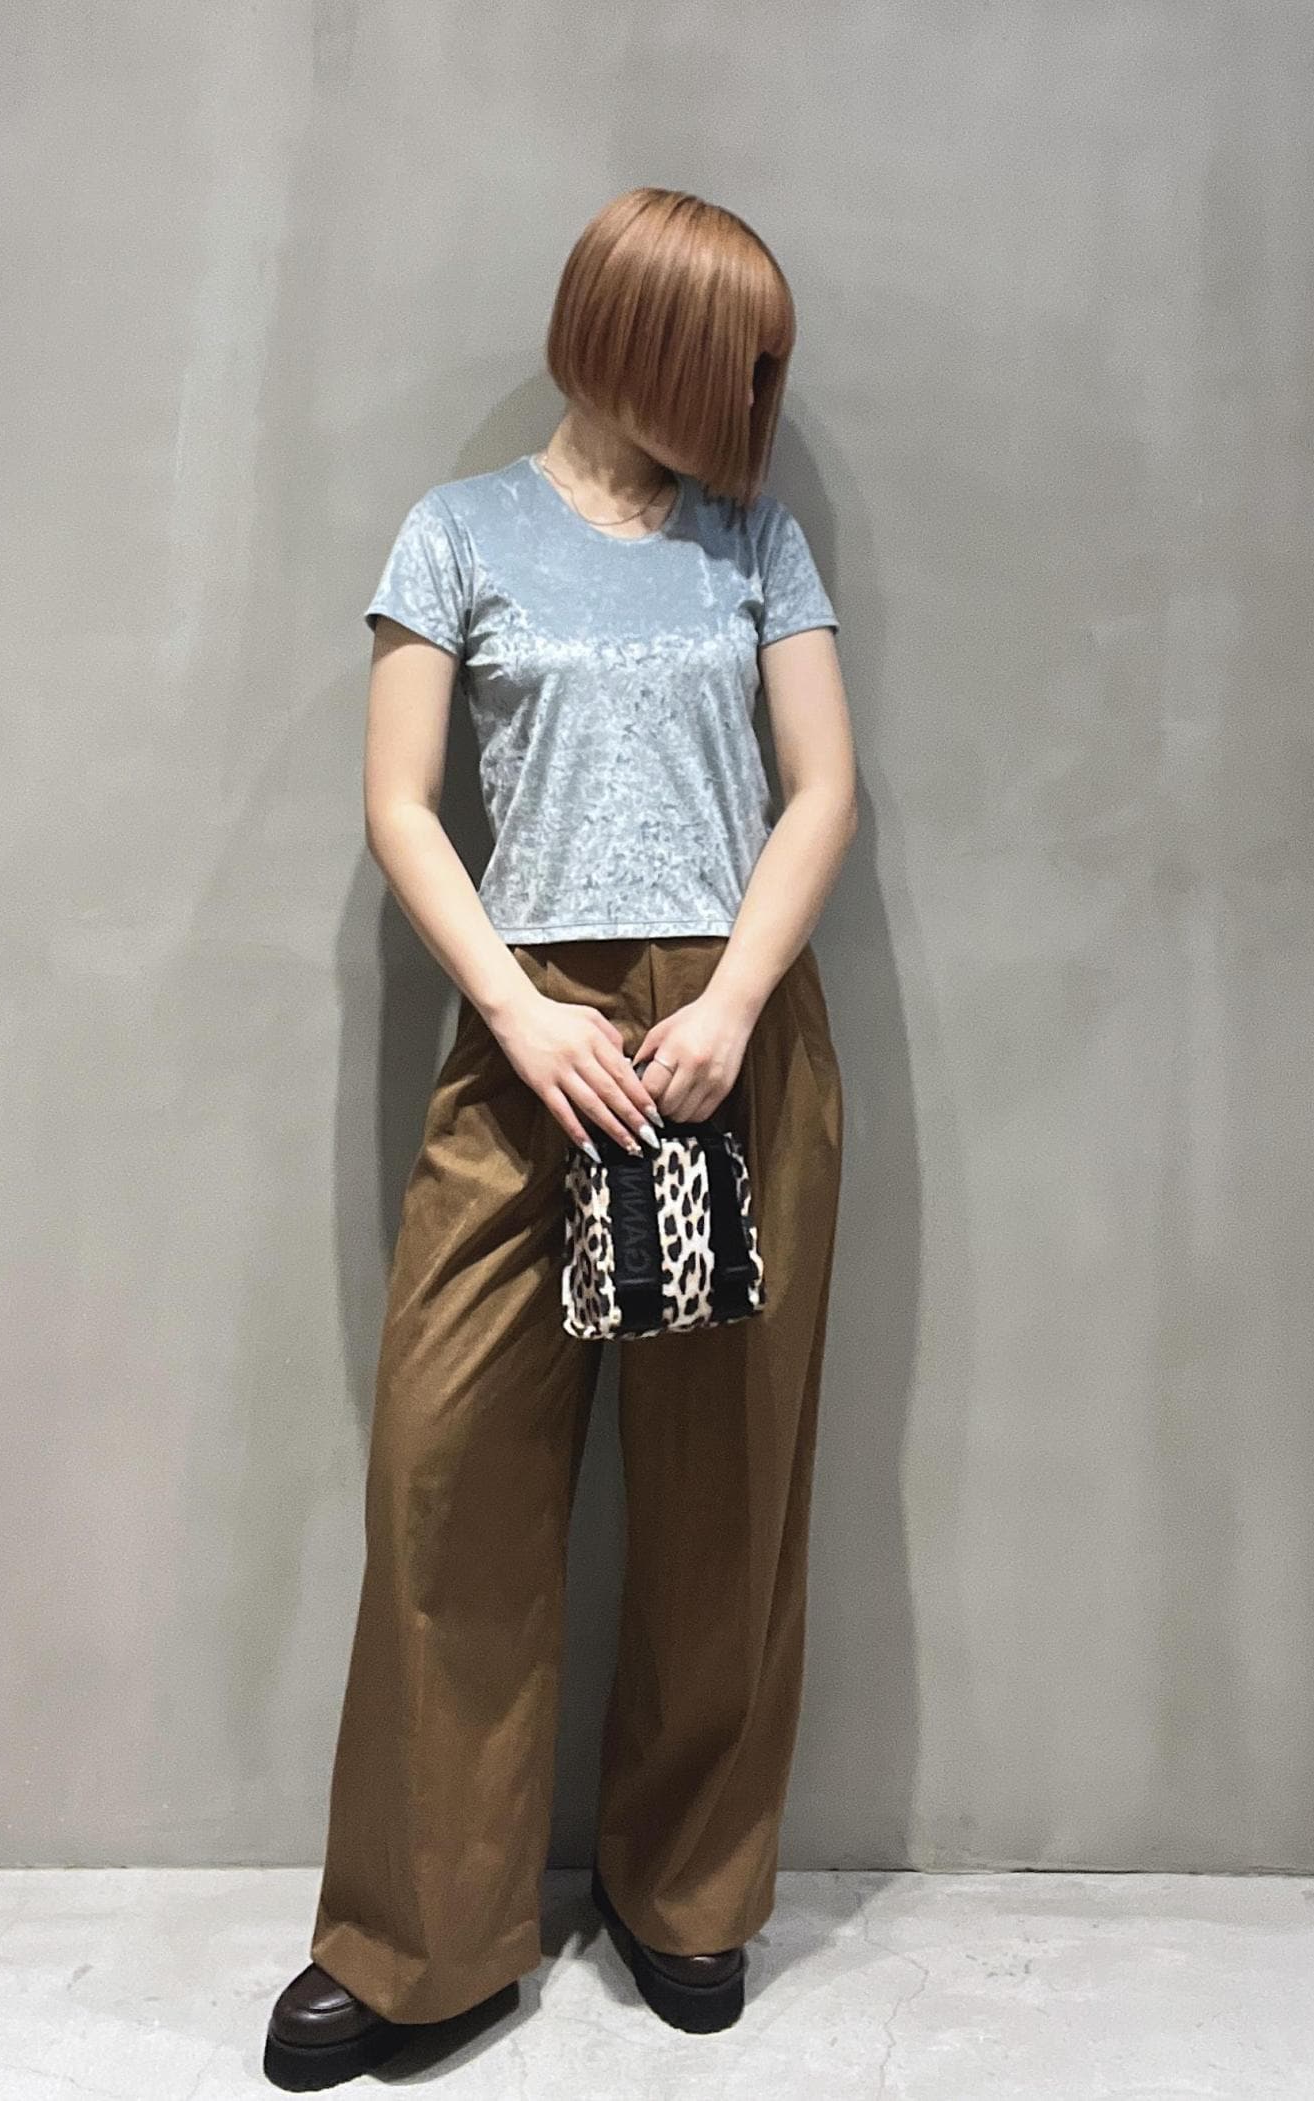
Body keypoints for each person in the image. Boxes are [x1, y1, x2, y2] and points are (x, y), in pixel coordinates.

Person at [264, 184, 858, 2090]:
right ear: (637, 341)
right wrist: (518, 1014)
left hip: (725, 1039)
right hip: (531, 1037)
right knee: (447, 1478)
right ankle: (420, 1935)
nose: (754, 403)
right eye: (734, 363)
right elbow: (402, 803)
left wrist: (737, 1004)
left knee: (722, 1493)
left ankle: (689, 1892)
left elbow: (822, 790)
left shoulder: (756, 544)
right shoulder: (458, 535)